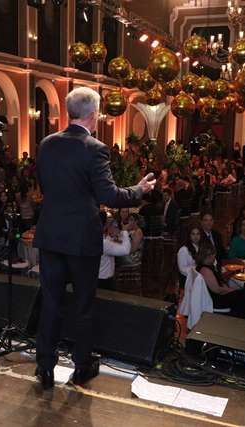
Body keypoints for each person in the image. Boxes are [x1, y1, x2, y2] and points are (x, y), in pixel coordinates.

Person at [33, 87, 155, 390]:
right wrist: (139, 190)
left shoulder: (47, 144)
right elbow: (109, 195)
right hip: (81, 240)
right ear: (93, 114)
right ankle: (82, 368)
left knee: (51, 304)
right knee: (83, 307)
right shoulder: (95, 148)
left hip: (50, 236)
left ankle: (45, 369)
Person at [98, 214, 131, 290]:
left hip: (98, 276)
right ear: (106, 226)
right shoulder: (104, 243)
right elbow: (126, 250)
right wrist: (125, 231)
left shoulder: (101, 238)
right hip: (103, 279)